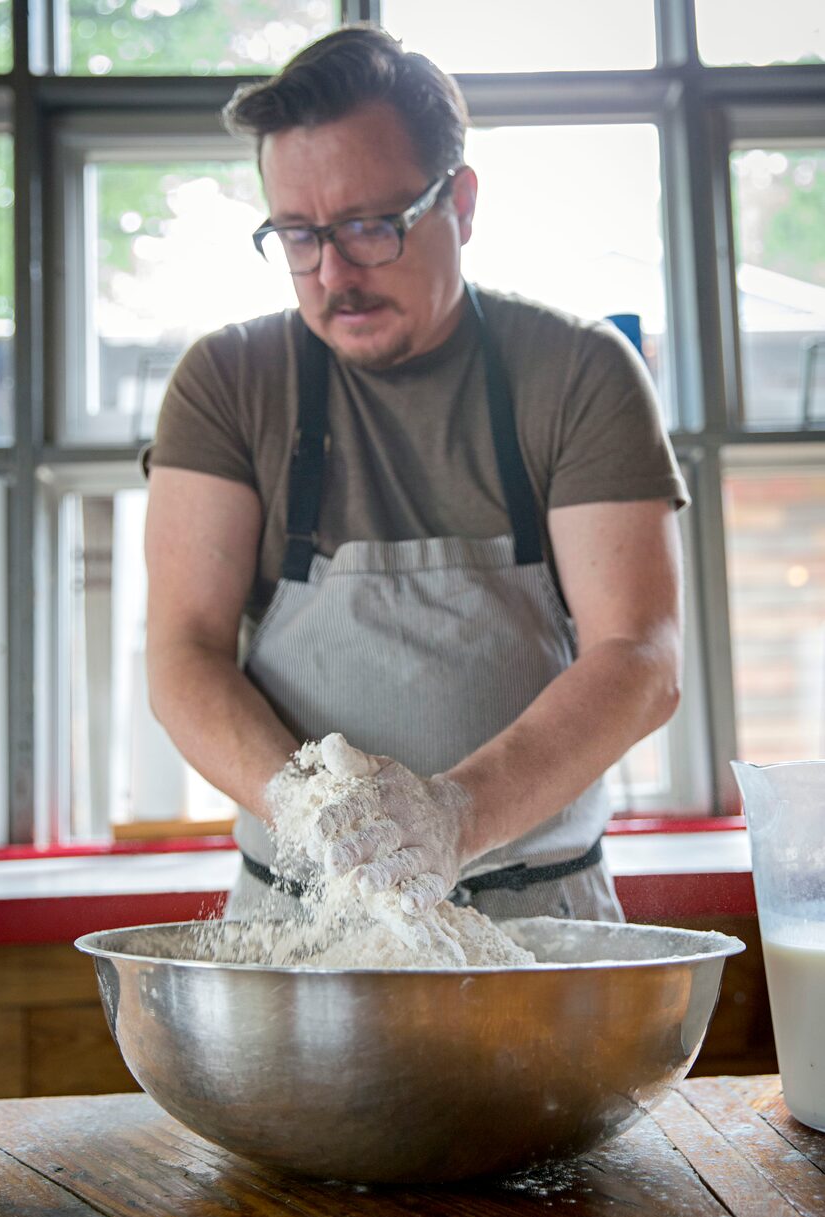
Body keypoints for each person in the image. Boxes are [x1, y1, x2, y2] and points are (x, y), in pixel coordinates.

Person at [144, 26, 688, 925]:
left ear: (461, 203)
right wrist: (320, 819)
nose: (332, 276)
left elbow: (642, 655)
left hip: (539, 919)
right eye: (297, 235)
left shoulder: (578, 370)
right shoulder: (228, 382)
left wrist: (453, 816)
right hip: (302, 919)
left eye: (369, 227)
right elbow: (184, 653)